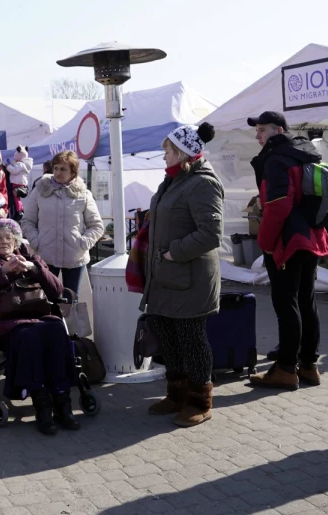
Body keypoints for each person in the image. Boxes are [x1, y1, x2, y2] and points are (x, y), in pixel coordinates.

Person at [246, 111, 328, 391]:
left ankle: (286, 369)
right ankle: (309, 366)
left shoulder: (277, 158)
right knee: (305, 300)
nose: (258, 136)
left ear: (278, 130)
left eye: (262, 130)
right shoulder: (305, 151)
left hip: (289, 241)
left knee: (286, 303)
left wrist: (265, 242)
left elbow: (278, 205)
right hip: (310, 237)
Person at [140, 123, 223, 428]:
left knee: (191, 339)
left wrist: (174, 252)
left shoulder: (203, 183)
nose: (163, 155)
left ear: (182, 152)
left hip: (190, 278)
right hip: (165, 276)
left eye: (167, 150)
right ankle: (176, 394)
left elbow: (211, 233)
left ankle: (200, 400)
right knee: (169, 337)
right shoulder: (172, 181)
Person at [0, 218, 78, 436]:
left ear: (17, 241)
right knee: (29, 336)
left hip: (39, 316)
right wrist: (2, 272)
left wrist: (35, 269)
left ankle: (63, 404)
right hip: (4, 322)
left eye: (9, 237)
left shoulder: (31, 258)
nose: (4, 241)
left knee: (55, 330)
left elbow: (57, 290)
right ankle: (43, 408)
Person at [21, 150, 104, 294]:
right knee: (45, 299)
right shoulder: (40, 190)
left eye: (63, 169)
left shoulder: (83, 194)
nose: (58, 172)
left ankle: (69, 317)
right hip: (46, 255)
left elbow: (96, 226)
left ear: (73, 172)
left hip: (74, 256)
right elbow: (27, 221)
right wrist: (36, 241)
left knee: (71, 300)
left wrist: (82, 243)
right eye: (56, 168)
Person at [6, 146, 34, 220]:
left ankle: (19, 210)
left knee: (16, 198)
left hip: (17, 182)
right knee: (17, 198)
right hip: (20, 182)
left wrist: (8, 167)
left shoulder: (20, 164)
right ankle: (20, 209)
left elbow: (15, 171)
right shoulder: (23, 164)